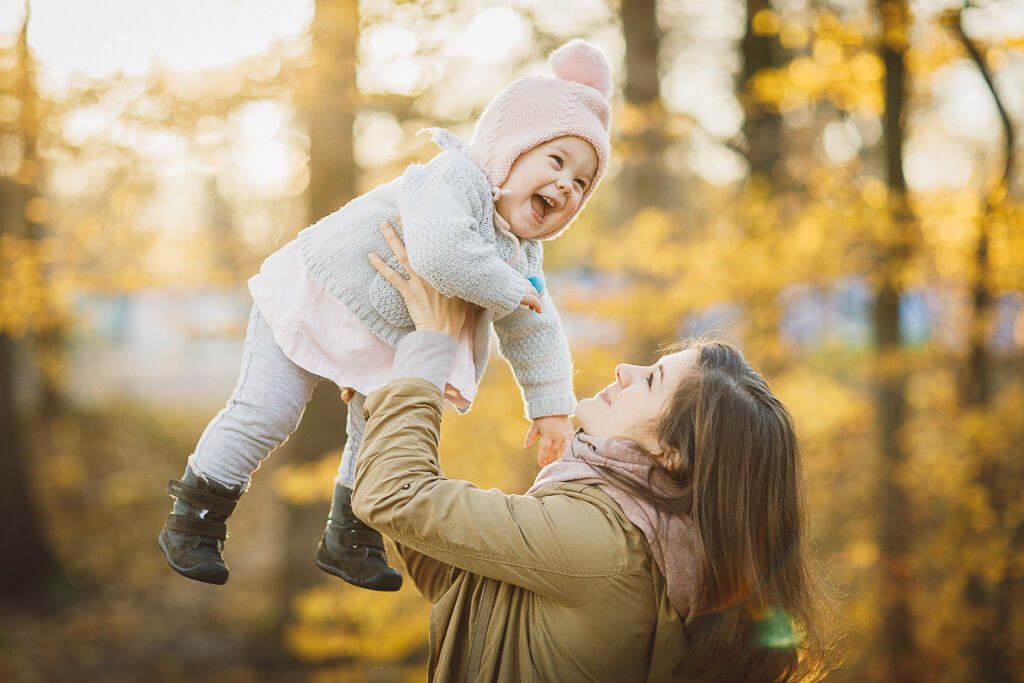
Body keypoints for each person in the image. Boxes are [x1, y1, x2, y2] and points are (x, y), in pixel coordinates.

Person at [157, 39, 613, 590]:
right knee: (268, 411)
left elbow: (537, 327)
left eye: (582, 182)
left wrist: (552, 407)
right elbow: (439, 253)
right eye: (556, 160)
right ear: (509, 150)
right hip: (322, 290)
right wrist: (509, 289)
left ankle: (349, 536)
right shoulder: (454, 179)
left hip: (388, 337)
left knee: (377, 434)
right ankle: (196, 517)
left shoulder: (521, 252)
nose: (567, 183)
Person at [354, 223, 837, 680]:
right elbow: (466, 589)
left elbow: (395, 497)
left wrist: (430, 348)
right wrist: (382, 403)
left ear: (672, 453)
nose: (626, 369)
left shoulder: (606, 543)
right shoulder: (630, 531)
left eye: (652, 380)